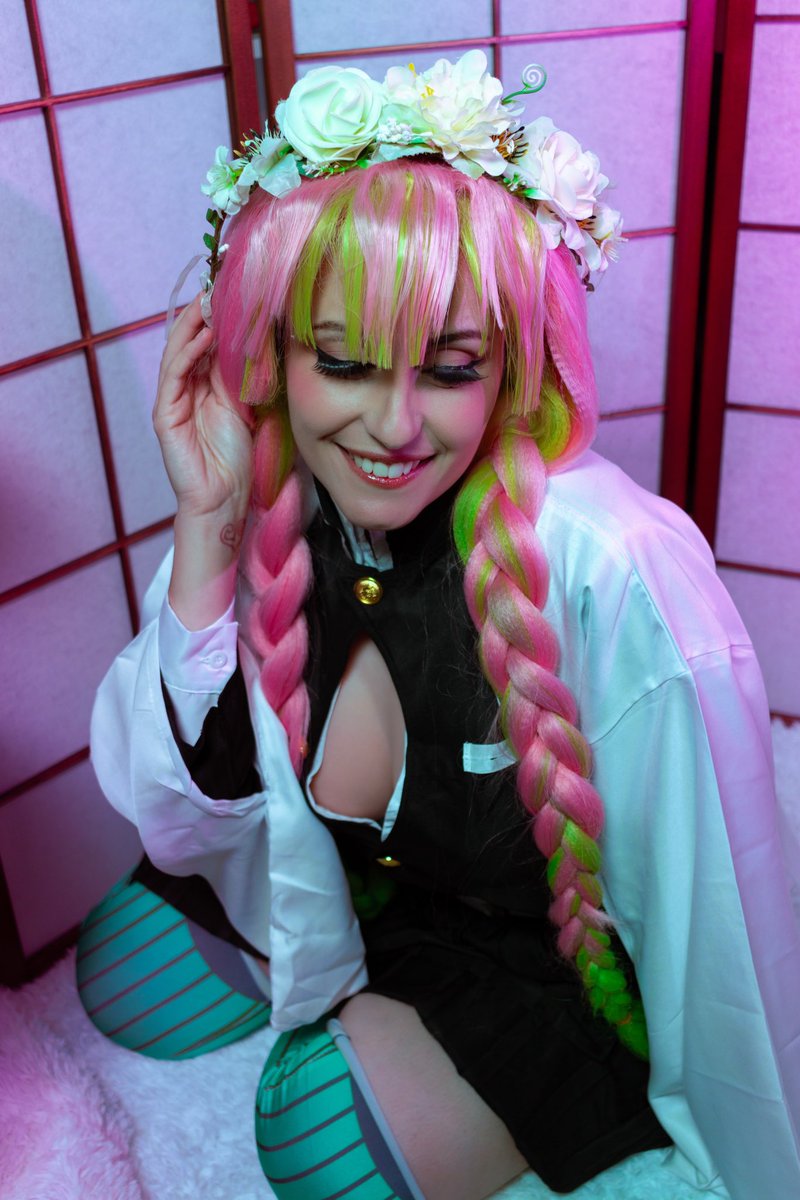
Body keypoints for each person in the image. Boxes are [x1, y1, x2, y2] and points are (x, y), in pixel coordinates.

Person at [78, 52, 800, 1200]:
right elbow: (187, 804)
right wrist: (206, 523)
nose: (394, 426)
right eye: (343, 362)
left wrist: (746, 1147)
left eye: (450, 369)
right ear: (271, 353)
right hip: (354, 881)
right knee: (120, 975)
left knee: (310, 1135)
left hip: (532, 945)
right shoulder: (274, 491)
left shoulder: (607, 562)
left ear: (510, 363)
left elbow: (708, 896)